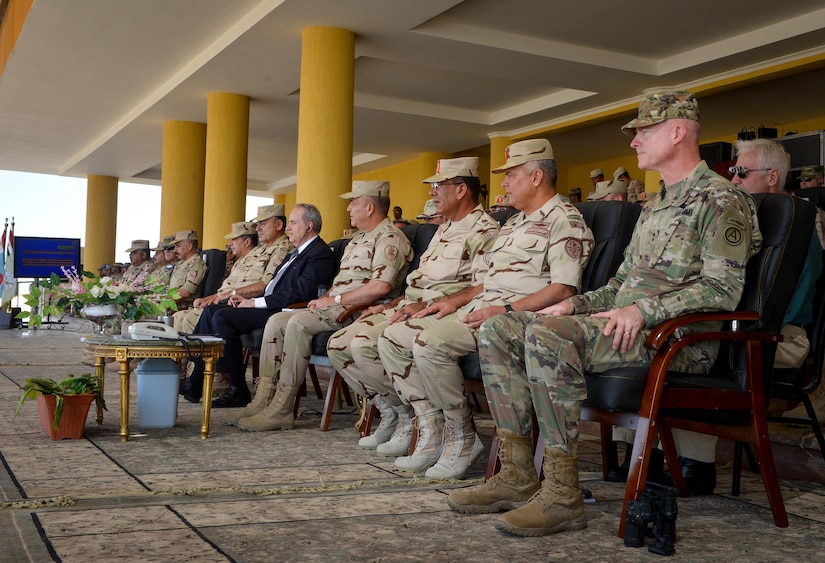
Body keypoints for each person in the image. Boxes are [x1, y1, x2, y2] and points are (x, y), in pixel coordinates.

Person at [447, 90, 762, 537]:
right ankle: (518, 474)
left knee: (548, 336)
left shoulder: (719, 200)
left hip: (675, 342)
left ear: (677, 132)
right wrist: (574, 303)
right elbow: (618, 287)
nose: (634, 142)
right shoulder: (655, 206)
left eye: (643, 132)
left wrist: (641, 309)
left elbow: (722, 288)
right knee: (500, 328)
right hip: (625, 328)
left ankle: (561, 495)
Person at [377, 139, 594, 480]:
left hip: (518, 320)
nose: (504, 183)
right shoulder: (513, 223)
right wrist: (452, 301)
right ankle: (434, 429)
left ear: (536, 177)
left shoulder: (564, 221)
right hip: (483, 310)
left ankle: (462, 436)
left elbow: (564, 288)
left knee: (429, 344)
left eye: (511, 175)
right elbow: (486, 281)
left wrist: (506, 309)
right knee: (394, 338)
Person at [326, 157, 499, 456]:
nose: (432, 192)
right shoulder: (444, 229)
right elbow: (422, 284)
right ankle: (400, 415)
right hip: (412, 306)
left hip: (446, 312)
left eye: (438, 185)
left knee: (372, 341)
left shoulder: (484, 229)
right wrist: (392, 304)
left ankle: (433, 428)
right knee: (340, 343)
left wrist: (442, 302)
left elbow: (488, 285)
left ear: (460, 190)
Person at [231, 181, 413, 430]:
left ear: (370, 207)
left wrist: (334, 300)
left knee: (297, 322)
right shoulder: (358, 239)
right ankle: (263, 400)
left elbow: (380, 287)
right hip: (336, 306)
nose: (348, 209)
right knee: (275, 321)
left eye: (353, 203)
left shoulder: (390, 238)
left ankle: (283, 408)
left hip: (358, 311)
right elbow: (342, 283)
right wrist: (325, 298)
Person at [183, 204, 336, 408]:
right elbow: (273, 284)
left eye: (292, 222)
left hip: (284, 310)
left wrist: (255, 302)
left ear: (309, 226)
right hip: (269, 304)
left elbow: (300, 292)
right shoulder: (296, 253)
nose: (288, 228)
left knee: (223, 318)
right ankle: (196, 379)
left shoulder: (319, 253)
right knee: (212, 311)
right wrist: (245, 301)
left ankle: (237, 387)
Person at [729, 139, 825, 421]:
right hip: (745, 326)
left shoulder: (802, 222)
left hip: (783, 332)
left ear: (772, 176)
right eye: (733, 172)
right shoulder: (745, 218)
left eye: (742, 172)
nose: (734, 180)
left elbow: (789, 299)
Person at [172, 221, 260, 334]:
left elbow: (187, 292)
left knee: (189, 318)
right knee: (178, 317)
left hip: (235, 305)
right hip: (222, 303)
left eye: (233, 239)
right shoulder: (240, 262)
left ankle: (199, 351)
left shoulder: (257, 258)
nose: (229, 244)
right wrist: (207, 299)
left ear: (247, 242)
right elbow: (223, 291)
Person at [168, 230, 207, 301]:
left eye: (178, 246)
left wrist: (165, 301)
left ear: (189, 246)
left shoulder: (197, 264)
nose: (175, 250)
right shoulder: (180, 263)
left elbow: (186, 292)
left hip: (182, 307)